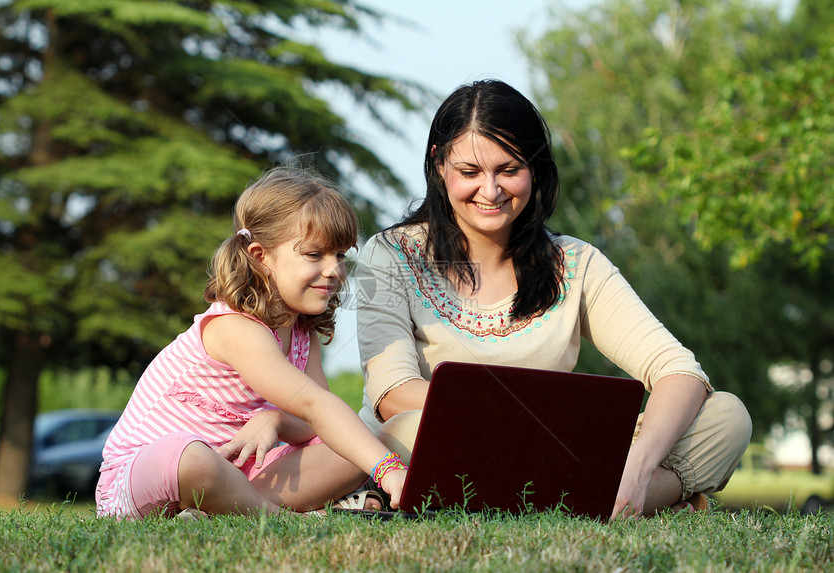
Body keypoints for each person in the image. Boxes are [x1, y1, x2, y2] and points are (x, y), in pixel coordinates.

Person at [353, 80, 751, 519]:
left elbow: (679, 372)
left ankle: (619, 493)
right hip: (447, 443)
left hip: (556, 451)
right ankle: (620, 503)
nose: (491, 190)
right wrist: (525, 429)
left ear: (535, 168)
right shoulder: (390, 254)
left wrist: (636, 468)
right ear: (438, 164)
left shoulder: (576, 263)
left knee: (726, 418)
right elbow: (391, 393)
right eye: (469, 173)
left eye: (509, 170)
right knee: (403, 429)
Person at [96, 166, 407, 520]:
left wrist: (276, 420)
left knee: (351, 447)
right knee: (190, 457)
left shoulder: (303, 335)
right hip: (147, 476)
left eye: (339, 255)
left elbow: (314, 423)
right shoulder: (235, 327)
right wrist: (389, 470)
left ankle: (218, 512)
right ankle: (281, 518)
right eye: (314, 255)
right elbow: (312, 403)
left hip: (236, 474)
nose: (334, 269)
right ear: (261, 257)